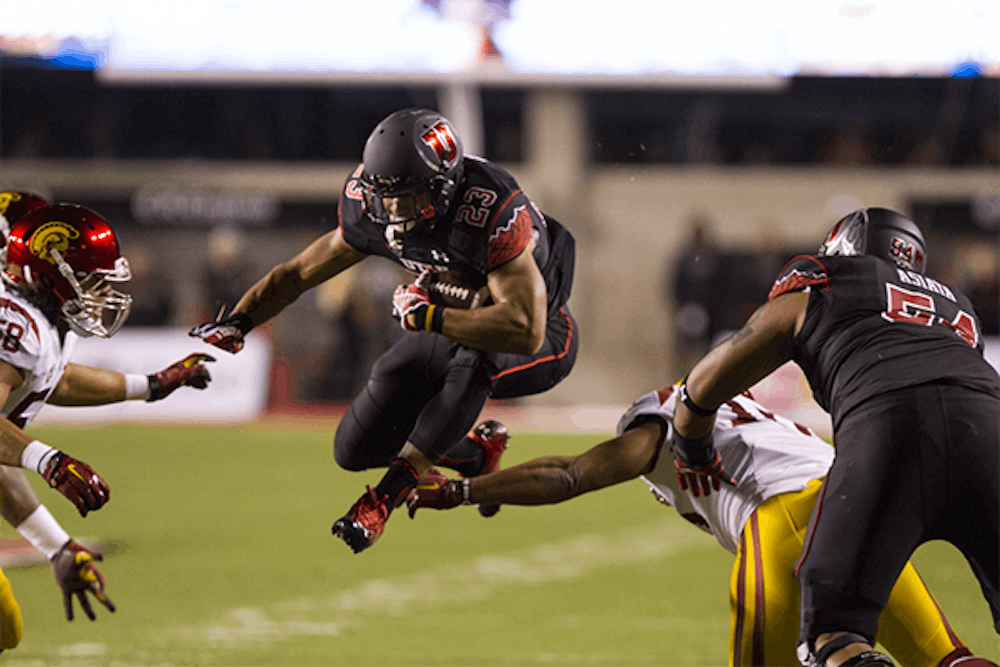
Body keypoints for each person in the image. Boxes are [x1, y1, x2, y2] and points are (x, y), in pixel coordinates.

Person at [190, 107, 578, 553]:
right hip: (447, 332)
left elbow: (524, 328)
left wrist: (428, 316)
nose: (392, 208)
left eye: (407, 195)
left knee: (474, 361)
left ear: (445, 187)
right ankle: (474, 454)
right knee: (354, 448)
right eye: (384, 195)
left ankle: (384, 499)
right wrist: (240, 321)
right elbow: (298, 273)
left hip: (543, 338)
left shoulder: (487, 209)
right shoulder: (373, 206)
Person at [406, 384, 996, 667]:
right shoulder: (760, 421)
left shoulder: (661, 418)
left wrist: (462, 490)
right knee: (948, 660)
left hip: (788, 518)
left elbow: (570, 474)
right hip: (861, 508)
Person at [659, 208, 999, 667]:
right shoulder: (958, 306)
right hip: (992, 429)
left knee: (834, 631)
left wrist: (693, 445)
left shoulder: (824, 276)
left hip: (889, 423)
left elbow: (705, 383)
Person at [0, 201, 214, 650]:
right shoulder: (14, 325)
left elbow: (53, 380)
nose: (101, 290)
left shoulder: (41, 326)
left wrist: (150, 386)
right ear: (47, 273)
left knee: (4, 628)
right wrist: (51, 462)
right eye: (91, 278)